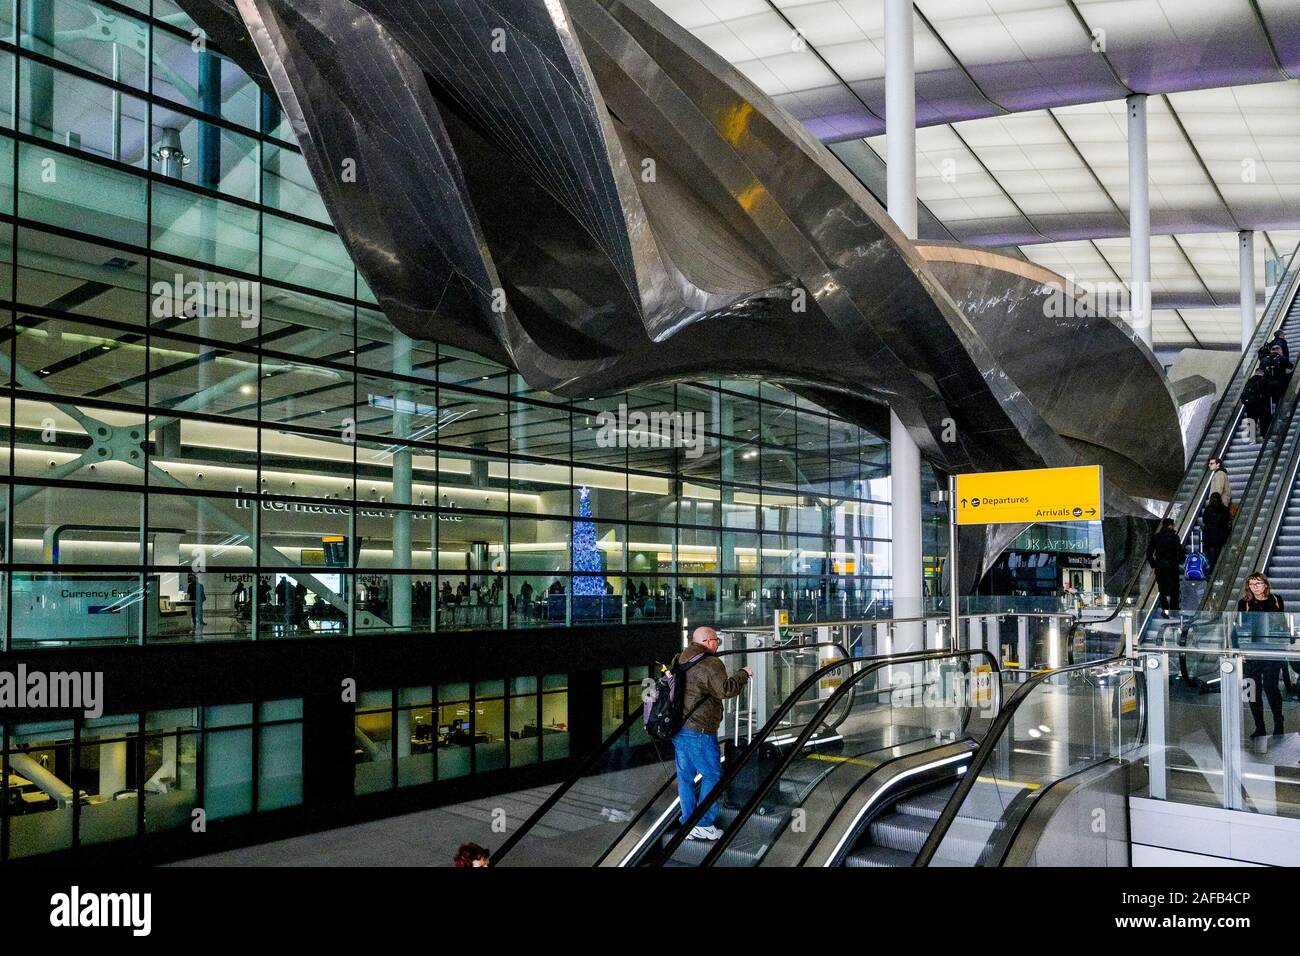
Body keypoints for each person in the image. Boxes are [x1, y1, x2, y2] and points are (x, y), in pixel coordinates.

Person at [672, 626, 753, 841]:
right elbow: (725, 689)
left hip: (679, 728)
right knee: (713, 776)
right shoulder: (710, 662)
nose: (718, 644)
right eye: (716, 640)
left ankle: (688, 822)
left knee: (685, 777)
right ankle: (704, 823)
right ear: (708, 642)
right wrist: (743, 674)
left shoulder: (681, 658)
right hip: (700, 730)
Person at [1239, 574, 1286, 740]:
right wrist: (1240, 650)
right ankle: (1260, 726)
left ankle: (1278, 722)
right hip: (1252, 651)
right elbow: (1240, 626)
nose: (1255, 587)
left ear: (1265, 585)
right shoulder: (1244, 603)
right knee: (1252, 690)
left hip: (1272, 649)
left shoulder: (1276, 600)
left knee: (1270, 687)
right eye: (1251, 584)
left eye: (1258, 583)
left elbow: (1282, 624)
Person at [1147, 518, 1185, 617]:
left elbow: (1149, 552)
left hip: (1160, 566)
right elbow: (1179, 550)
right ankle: (1174, 610)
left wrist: (1153, 564)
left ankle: (1165, 610)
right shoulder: (1174, 537)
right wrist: (1180, 560)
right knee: (1174, 589)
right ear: (1171, 525)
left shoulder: (1156, 537)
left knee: (1162, 589)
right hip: (1172, 565)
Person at [1201, 492, 1231, 571]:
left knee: (1210, 554)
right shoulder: (1224, 509)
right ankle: (1218, 568)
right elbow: (1227, 520)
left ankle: (1212, 568)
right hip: (1220, 536)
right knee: (1218, 552)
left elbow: (1204, 520)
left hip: (1209, 537)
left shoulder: (1208, 509)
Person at [1243, 368, 1272, 442]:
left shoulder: (1249, 382)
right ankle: (1264, 436)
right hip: (1261, 404)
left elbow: (1244, 394)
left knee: (1252, 420)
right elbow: (1268, 392)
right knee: (1263, 420)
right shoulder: (1263, 381)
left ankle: (1252, 438)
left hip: (1249, 405)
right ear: (1262, 373)